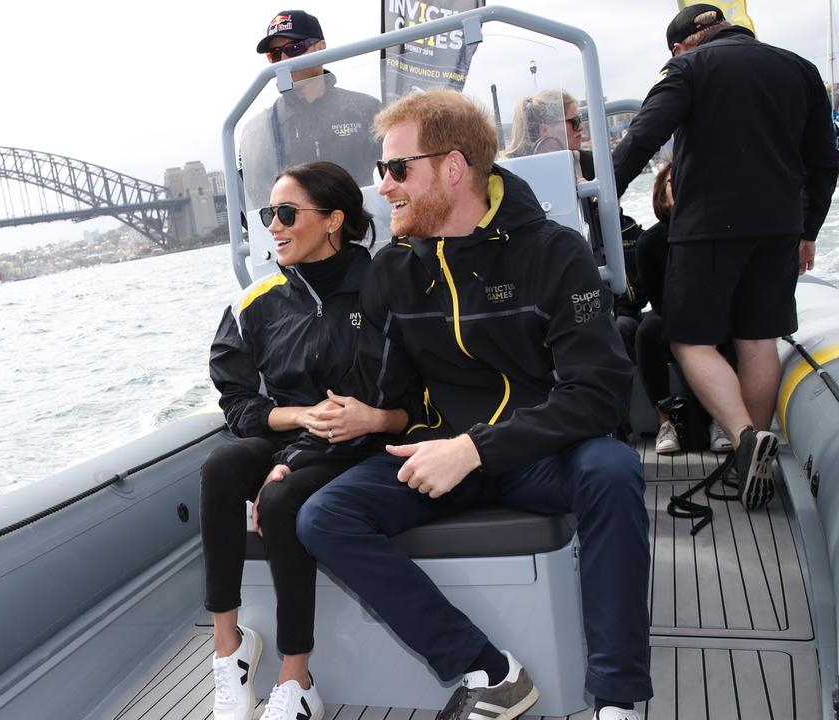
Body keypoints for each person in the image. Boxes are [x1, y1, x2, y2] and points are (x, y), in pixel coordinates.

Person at [273, 90, 649, 720]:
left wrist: (474, 449)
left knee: (612, 471)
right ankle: (489, 670)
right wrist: (301, 454)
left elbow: (598, 393)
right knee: (323, 516)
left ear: (452, 168)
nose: (383, 188)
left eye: (397, 171)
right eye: (380, 171)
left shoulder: (553, 253)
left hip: (537, 457)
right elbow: (377, 392)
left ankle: (618, 699)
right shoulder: (394, 271)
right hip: (439, 455)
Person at [204, 161, 411, 720]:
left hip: (363, 445)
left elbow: (414, 389)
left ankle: (297, 677)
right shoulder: (258, 301)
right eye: (269, 213)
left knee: (280, 496)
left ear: (334, 220)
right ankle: (229, 647)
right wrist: (298, 420)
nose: (273, 226)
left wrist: (301, 454)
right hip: (296, 433)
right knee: (222, 466)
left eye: (287, 213)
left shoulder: (383, 287)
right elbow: (239, 402)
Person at [613, 4, 839, 508]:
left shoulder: (688, 69)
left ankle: (743, 438)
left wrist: (604, 194)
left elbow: (643, 137)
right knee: (757, 339)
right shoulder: (800, 68)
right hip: (779, 227)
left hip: (707, 227)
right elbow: (825, 161)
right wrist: (807, 230)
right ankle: (749, 458)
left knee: (689, 340)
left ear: (681, 45)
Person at [239, 11, 383, 210]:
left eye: (293, 48)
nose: (283, 60)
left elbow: (397, 174)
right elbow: (257, 205)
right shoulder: (259, 130)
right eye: (274, 54)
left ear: (320, 49)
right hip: (300, 237)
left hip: (363, 231)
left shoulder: (366, 109)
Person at [635, 162, 732, 454]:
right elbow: (658, 300)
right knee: (647, 330)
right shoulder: (649, 243)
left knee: (732, 325)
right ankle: (666, 421)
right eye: (675, 182)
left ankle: (721, 418)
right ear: (662, 195)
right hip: (672, 316)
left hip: (714, 315)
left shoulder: (719, 235)